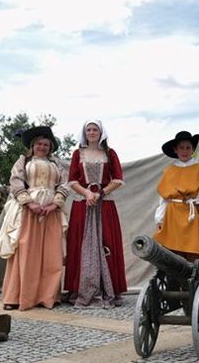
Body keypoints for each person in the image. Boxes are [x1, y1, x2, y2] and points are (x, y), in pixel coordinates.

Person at [0, 126, 69, 311]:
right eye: (39, 144)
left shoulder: (57, 164)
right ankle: (16, 296)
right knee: (26, 252)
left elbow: (64, 184)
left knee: (50, 255)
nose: (42, 147)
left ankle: (47, 296)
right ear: (33, 145)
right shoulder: (23, 161)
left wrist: (54, 204)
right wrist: (29, 203)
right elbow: (16, 181)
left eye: (46, 144)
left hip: (51, 211)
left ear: (50, 147)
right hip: (29, 211)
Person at [64, 120, 127, 307]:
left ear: (101, 132)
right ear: (85, 133)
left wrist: (100, 193)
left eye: (95, 129)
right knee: (80, 243)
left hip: (104, 204)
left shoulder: (110, 153)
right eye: (89, 130)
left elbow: (117, 179)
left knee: (106, 241)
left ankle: (108, 288)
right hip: (83, 204)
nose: (92, 132)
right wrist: (87, 193)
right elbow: (72, 180)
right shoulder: (78, 153)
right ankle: (80, 288)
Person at [153, 131, 199, 270]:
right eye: (181, 147)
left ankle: (197, 284)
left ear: (193, 149)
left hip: (193, 216)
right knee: (173, 254)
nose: (185, 151)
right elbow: (164, 198)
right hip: (173, 216)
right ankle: (174, 286)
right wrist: (160, 218)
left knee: (195, 252)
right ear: (175, 150)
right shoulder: (169, 171)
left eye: (188, 147)